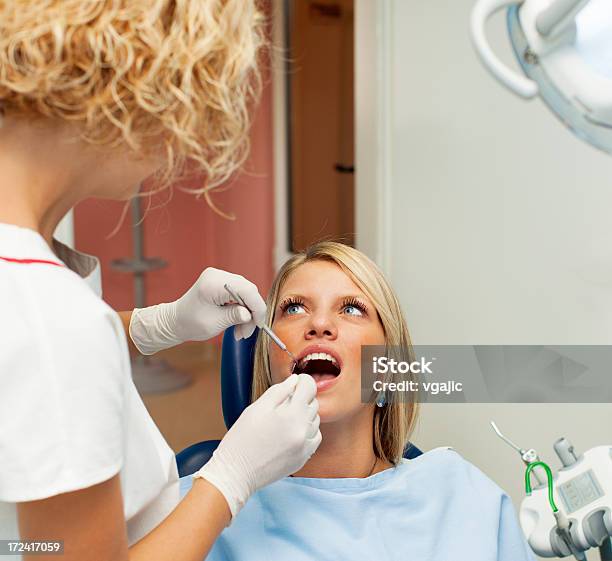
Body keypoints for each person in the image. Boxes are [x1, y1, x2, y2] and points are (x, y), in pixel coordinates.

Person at [0, 2, 321, 560]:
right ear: (128, 93)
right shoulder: (51, 320)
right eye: (178, 111)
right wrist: (230, 477)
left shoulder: (36, 296)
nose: (177, 144)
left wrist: (158, 323)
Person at [180, 241, 536, 561]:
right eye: (294, 309)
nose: (319, 323)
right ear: (267, 361)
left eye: (351, 309)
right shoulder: (200, 511)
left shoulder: (464, 495)